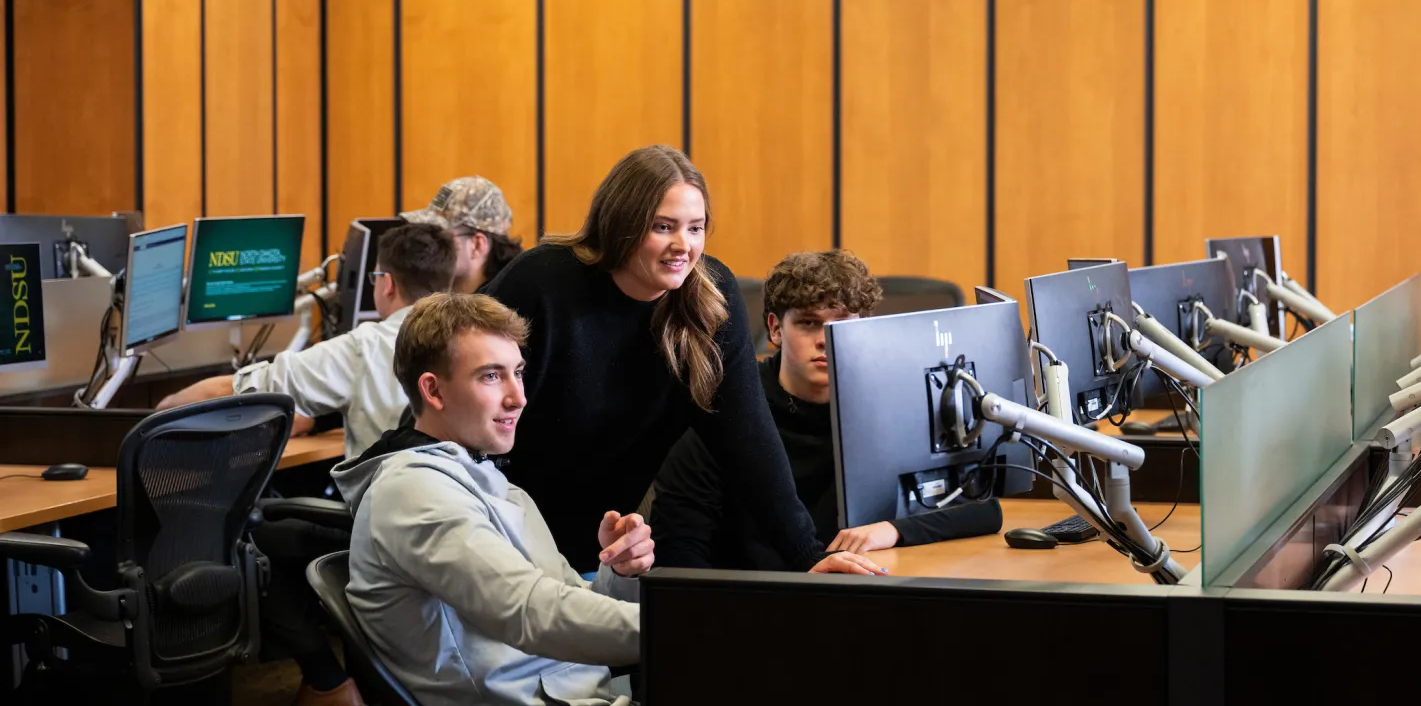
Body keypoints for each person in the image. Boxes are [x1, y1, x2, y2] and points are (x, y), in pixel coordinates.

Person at [334, 293, 884, 706]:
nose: (518, 397)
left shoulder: (477, 473)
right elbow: (535, 614)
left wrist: (616, 572)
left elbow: (561, 595)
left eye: (519, 373)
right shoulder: (417, 493)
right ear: (432, 390)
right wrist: (715, 625)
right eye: (491, 376)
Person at [478, 145, 868, 574]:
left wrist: (807, 555)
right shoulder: (540, 282)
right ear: (622, 225)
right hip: (499, 527)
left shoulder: (711, 299)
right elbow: (463, 394)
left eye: (696, 228)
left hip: (600, 549)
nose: (683, 245)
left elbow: (748, 440)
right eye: (664, 227)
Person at [650, 250, 1003, 569]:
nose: (824, 338)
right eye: (808, 323)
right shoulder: (729, 406)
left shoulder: (894, 403)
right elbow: (680, 544)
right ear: (775, 328)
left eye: (840, 323)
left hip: (859, 589)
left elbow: (982, 508)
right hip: (752, 600)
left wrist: (893, 530)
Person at [157, 222, 456, 459]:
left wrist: (160, 413)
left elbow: (239, 389)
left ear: (387, 283)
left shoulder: (364, 347)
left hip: (385, 523)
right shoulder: (477, 337)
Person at [401, 175, 525, 293]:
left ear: (477, 245)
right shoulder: (438, 300)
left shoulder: (507, 309)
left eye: (440, 237)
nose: (429, 245)